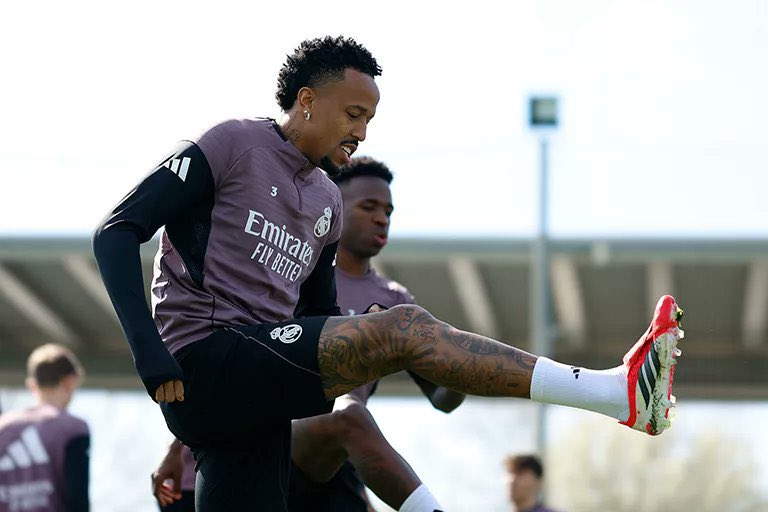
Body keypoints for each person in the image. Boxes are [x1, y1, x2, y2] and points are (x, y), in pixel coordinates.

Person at [93, 35, 684, 511]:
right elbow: (116, 231)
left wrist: (367, 340)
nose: (361, 132)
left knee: (389, 341)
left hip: (256, 405)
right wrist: (149, 352)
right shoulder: (233, 142)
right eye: (353, 114)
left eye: (369, 119)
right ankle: (614, 392)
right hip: (203, 356)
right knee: (404, 330)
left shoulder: (327, 200)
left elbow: (316, 317)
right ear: (306, 100)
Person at [151, 156, 465, 511]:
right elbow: (222, 365)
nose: (382, 218)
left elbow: (442, 397)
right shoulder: (286, 273)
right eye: (368, 207)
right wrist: (174, 448)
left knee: (346, 418)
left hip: (324, 460)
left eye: (388, 211)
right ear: (333, 209)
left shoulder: (394, 303)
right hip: (260, 443)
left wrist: (457, 360)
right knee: (345, 415)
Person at [0, 344, 90, 512]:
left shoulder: (3, 428)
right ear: (70, 382)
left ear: (32, 385)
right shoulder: (71, 429)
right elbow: (77, 501)